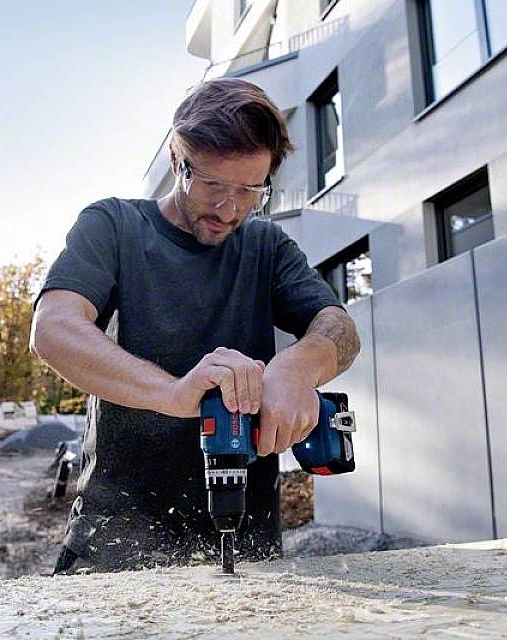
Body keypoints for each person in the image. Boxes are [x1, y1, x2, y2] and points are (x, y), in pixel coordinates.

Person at [30, 77, 360, 574]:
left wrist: (297, 367)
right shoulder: (115, 227)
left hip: (248, 548)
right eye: (212, 186)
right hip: (116, 541)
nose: (230, 209)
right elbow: (53, 328)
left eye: (250, 191)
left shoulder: (267, 247)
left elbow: (339, 329)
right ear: (176, 159)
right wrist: (172, 393)